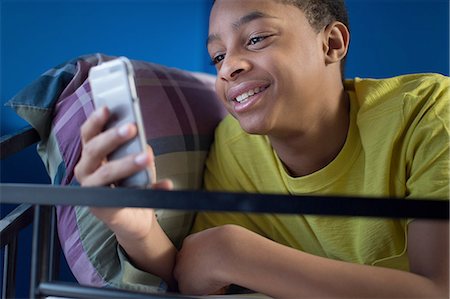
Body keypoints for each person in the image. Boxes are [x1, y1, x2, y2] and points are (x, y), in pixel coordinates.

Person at [74, 0, 449, 297]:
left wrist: (234, 252)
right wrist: (137, 230)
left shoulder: (429, 111)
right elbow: (195, 277)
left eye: (255, 39)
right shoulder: (235, 144)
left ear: (331, 43)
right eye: (218, 56)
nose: (228, 68)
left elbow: (440, 290)